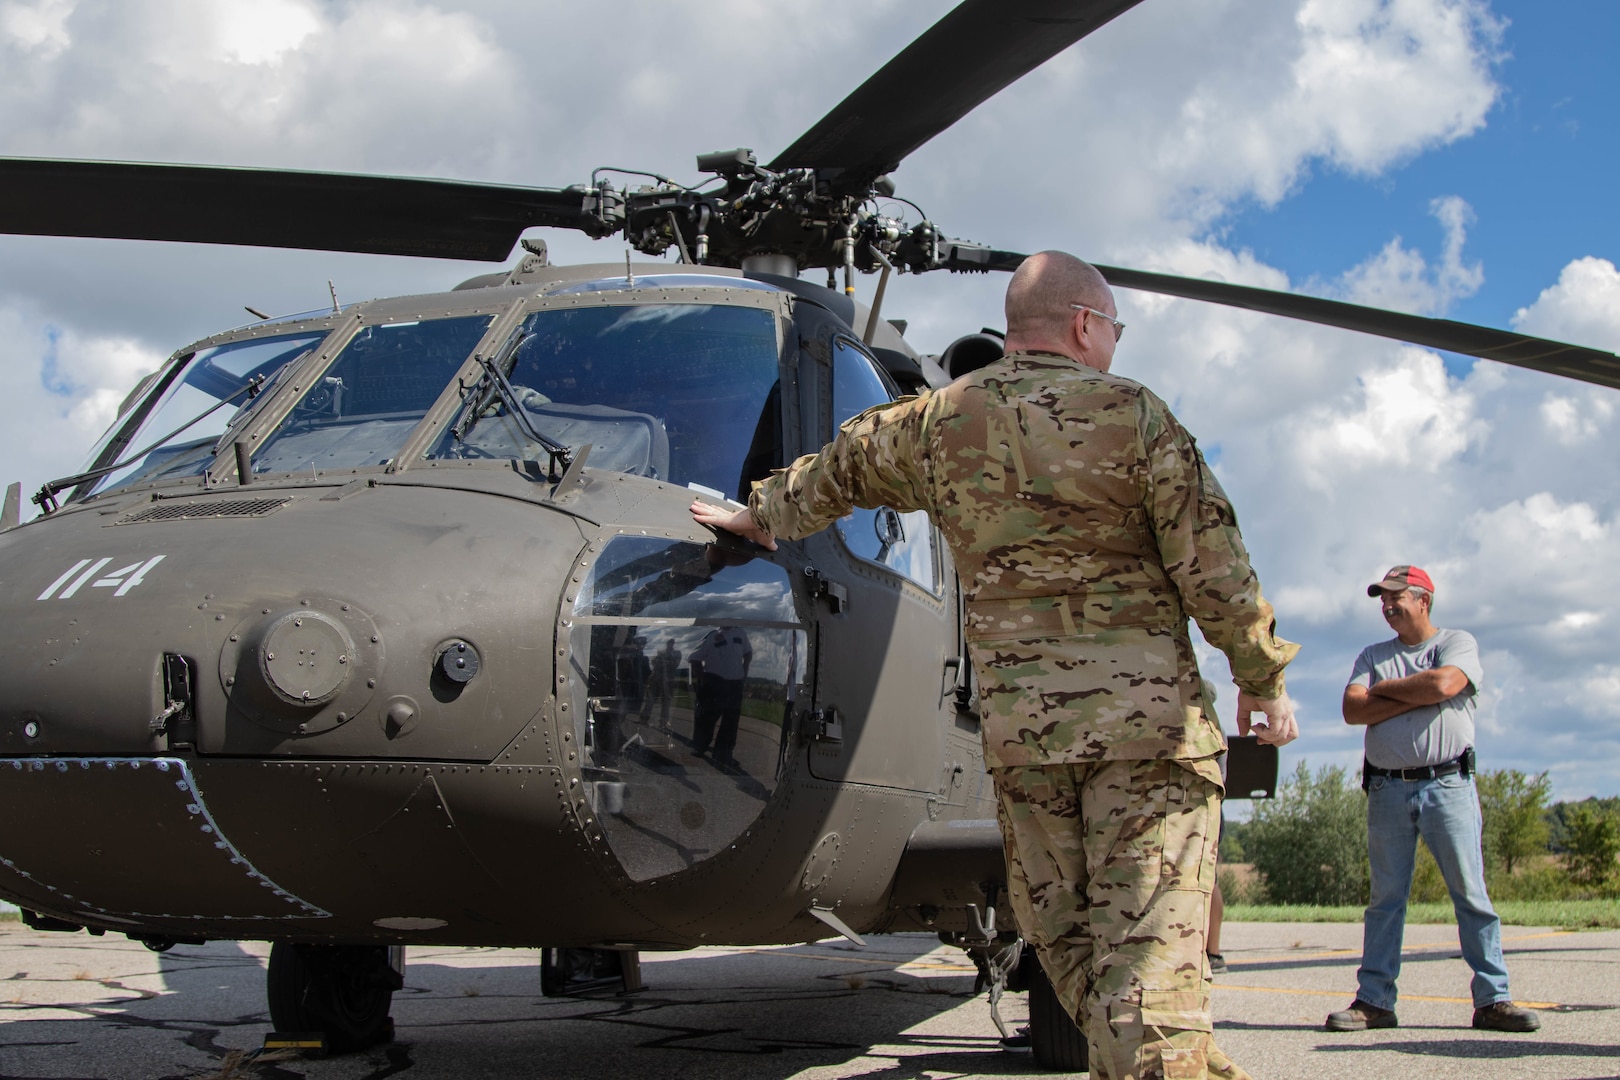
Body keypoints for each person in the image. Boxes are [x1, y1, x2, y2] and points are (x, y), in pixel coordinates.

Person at [691, 251, 1299, 1080]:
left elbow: (844, 466)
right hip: (1147, 742)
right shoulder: (1136, 416)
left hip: (1026, 744)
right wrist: (1261, 679)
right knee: (1150, 959)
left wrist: (761, 514)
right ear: (1085, 323)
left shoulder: (940, 420)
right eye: (1112, 326)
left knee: (1073, 944)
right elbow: (1216, 569)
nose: (1113, 341)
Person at [1327, 566, 1540, 1033]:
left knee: (1471, 894)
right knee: (1386, 900)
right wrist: (1415, 693)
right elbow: (1351, 709)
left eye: (1395, 596)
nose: (1386, 605)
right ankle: (1375, 1002)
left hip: (1448, 785)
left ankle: (1493, 999)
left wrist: (1383, 692)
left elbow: (1444, 685)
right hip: (1386, 787)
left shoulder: (1456, 644)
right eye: (1381, 598)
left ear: (1423, 599)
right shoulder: (1372, 653)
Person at [687, 626, 752, 767]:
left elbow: (748, 652)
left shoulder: (740, 632)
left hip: (735, 683)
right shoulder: (712, 636)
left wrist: (745, 670)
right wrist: (702, 679)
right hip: (715, 681)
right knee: (706, 717)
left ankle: (723, 753)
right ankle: (700, 746)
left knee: (731, 721)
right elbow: (694, 658)